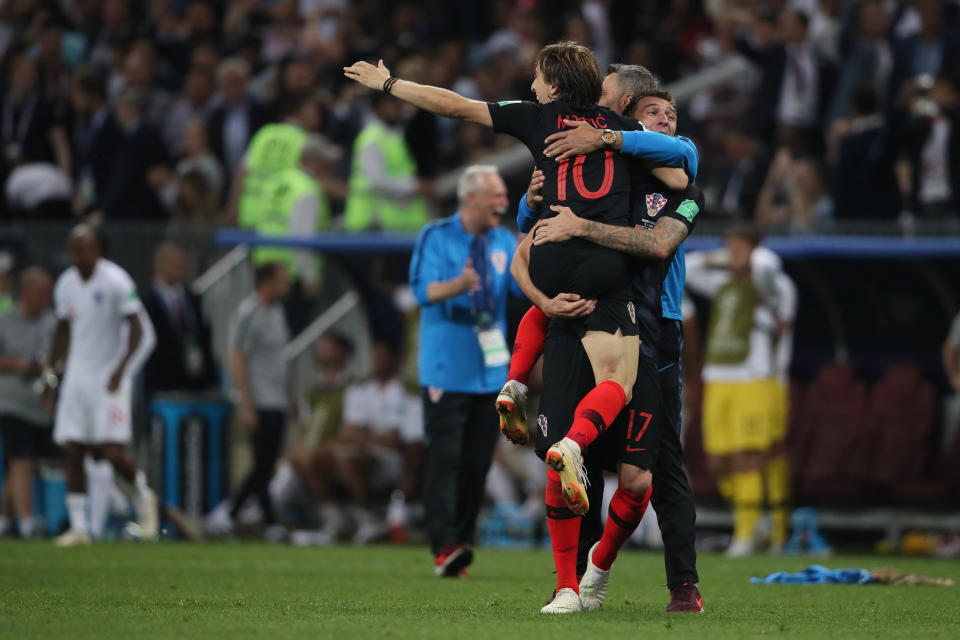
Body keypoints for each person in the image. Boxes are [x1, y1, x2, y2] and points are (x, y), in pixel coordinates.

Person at [345, 43, 692, 525]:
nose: (532, 85)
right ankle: (572, 442)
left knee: (535, 294)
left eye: (536, 77)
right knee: (618, 378)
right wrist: (614, 142)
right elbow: (677, 178)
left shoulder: (536, 117)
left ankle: (518, 383)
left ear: (553, 84)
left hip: (551, 256)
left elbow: (454, 105)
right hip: (606, 273)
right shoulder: (625, 128)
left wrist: (388, 84)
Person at [509, 80, 703, 612]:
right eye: (652, 113)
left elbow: (660, 241)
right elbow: (536, 229)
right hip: (590, 312)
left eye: (670, 113)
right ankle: (569, 585)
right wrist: (530, 204)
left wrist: (583, 222)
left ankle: (681, 584)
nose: (664, 120)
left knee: (656, 465)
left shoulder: (679, 171)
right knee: (577, 453)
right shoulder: (601, 175)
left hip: (654, 325)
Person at [408, 165, 520, 576]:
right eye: (496, 195)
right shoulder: (436, 236)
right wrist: (458, 284)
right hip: (446, 368)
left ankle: (462, 543)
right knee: (446, 458)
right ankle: (443, 545)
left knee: (477, 462)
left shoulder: (504, 241)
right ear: (470, 197)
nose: (502, 203)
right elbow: (423, 291)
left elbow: (519, 287)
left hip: (490, 371)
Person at [43, 225, 158, 546]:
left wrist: (122, 370)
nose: (76, 255)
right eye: (72, 249)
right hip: (78, 377)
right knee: (73, 448)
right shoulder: (66, 284)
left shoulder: (117, 281)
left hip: (108, 379)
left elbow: (137, 329)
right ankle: (79, 528)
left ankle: (142, 494)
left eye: (82, 248)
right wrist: (52, 376)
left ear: (98, 249)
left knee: (110, 452)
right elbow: (62, 331)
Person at [684, 226, 790, 557]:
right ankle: (754, 519)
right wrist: (720, 256)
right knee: (717, 461)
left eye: (739, 246)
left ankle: (746, 533)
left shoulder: (775, 284)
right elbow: (685, 268)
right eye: (727, 246)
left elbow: (767, 266)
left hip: (752, 377)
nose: (732, 253)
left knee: (749, 456)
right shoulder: (721, 283)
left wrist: (750, 255)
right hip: (718, 377)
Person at [225, 262, 292, 537]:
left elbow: (279, 361)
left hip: (278, 400)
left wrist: (290, 397)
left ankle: (253, 517)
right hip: (260, 400)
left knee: (268, 464)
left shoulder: (277, 312)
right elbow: (237, 357)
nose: (288, 285)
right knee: (262, 463)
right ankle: (241, 515)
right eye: (283, 279)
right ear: (267, 282)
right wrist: (245, 402)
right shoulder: (248, 312)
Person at [249, 135, 340, 335]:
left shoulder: (276, 181)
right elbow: (302, 237)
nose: (331, 170)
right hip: (290, 275)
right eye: (327, 164)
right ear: (316, 164)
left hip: (264, 266)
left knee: (265, 333)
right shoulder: (307, 189)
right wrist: (310, 277)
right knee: (290, 335)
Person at [0, 268, 55, 538]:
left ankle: (4, 518)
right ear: (25, 292)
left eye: (48, 292)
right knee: (20, 460)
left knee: (22, 464)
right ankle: (27, 522)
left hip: (40, 406)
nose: (45, 298)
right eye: (40, 292)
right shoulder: (5, 320)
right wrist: (19, 364)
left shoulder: (52, 323)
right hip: (11, 402)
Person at [343, 92, 429, 232]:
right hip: (371, 221)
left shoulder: (396, 137)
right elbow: (375, 180)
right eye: (390, 103)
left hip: (393, 222)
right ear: (376, 108)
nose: (396, 107)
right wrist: (415, 186)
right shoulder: (371, 138)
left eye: (398, 103)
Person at [142, 243, 217, 395]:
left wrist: (211, 378)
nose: (182, 266)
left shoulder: (193, 298)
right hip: (163, 385)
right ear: (160, 264)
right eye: (176, 262)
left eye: (183, 261)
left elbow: (204, 337)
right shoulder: (147, 303)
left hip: (196, 383)